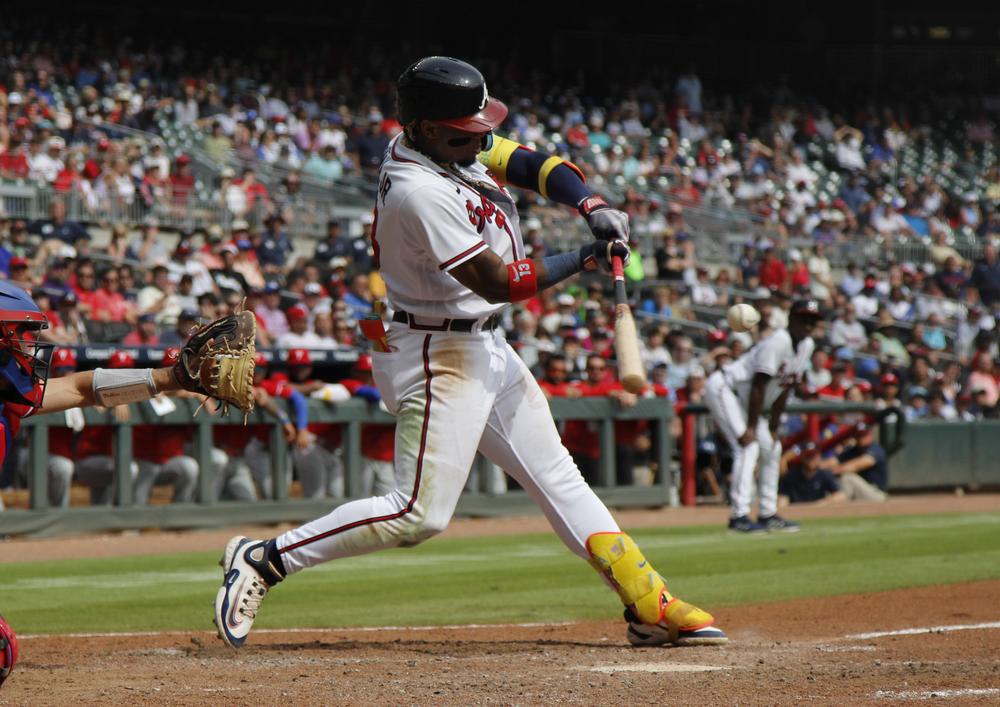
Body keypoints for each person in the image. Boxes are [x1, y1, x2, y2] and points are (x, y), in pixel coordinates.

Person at [213, 56, 726, 650]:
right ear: (428, 128)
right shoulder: (416, 189)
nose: (483, 136)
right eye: (469, 129)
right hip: (437, 349)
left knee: (557, 475)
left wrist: (590, 206)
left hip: (480, 341)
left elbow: (534, 164)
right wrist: (586, 259)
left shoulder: (447, 145)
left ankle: (648, 602)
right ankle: (264, 558)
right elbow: (500, 283)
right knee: (417, 513)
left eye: (483, 125)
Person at [703, 299, 823, 532]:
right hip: (727, 389)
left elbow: (784, 386)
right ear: (791, 319)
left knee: (772, 447)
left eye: (813, 321)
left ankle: (768, 513)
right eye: (803, 319)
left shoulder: (806, 344)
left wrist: (773, 426)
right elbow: (759, 385)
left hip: (747, 400)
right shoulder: (778, 342)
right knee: (747, 447)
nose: (807, 325)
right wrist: (750, 427)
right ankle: (739, 516)